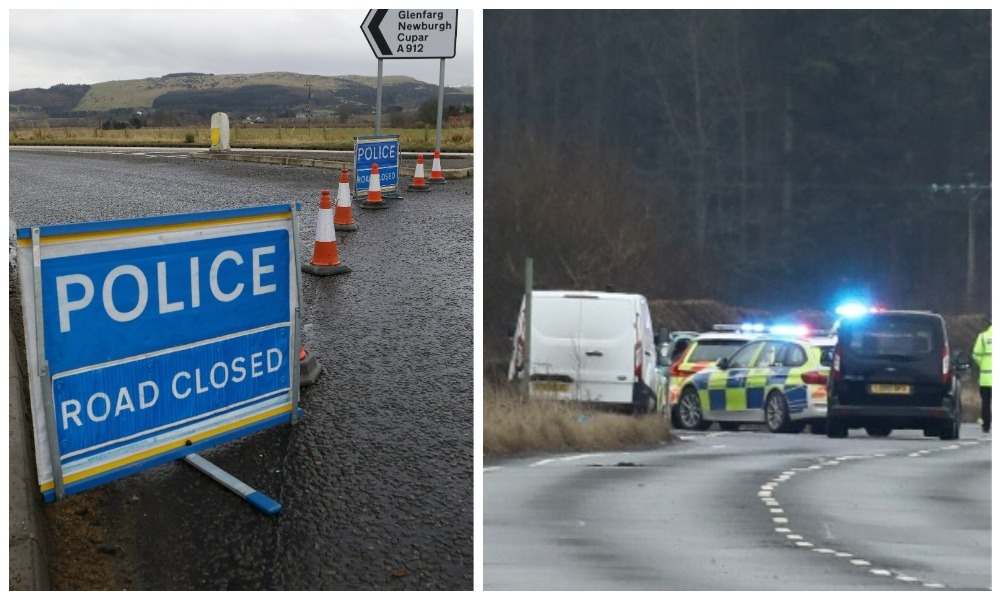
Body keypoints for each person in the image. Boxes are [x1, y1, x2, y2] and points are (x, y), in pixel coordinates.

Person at [972, 319, 992, 433]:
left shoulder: (983, 337)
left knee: (986, 403)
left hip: (986, 378)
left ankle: (986, 425)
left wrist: (983, 364)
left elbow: (976, 354)